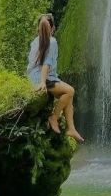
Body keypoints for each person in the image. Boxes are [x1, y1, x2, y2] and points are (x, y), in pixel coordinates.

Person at [27, 13, 84, 142]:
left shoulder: (35, 41)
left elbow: (33, 64)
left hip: (34, 77)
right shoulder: (52, 41)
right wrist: (42, 82)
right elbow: (46, 64)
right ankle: (54, 117)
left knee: (68, 98)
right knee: (70, 91)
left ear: (38, 29)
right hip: (43, 78)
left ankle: (72, 129)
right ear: (53, 28)